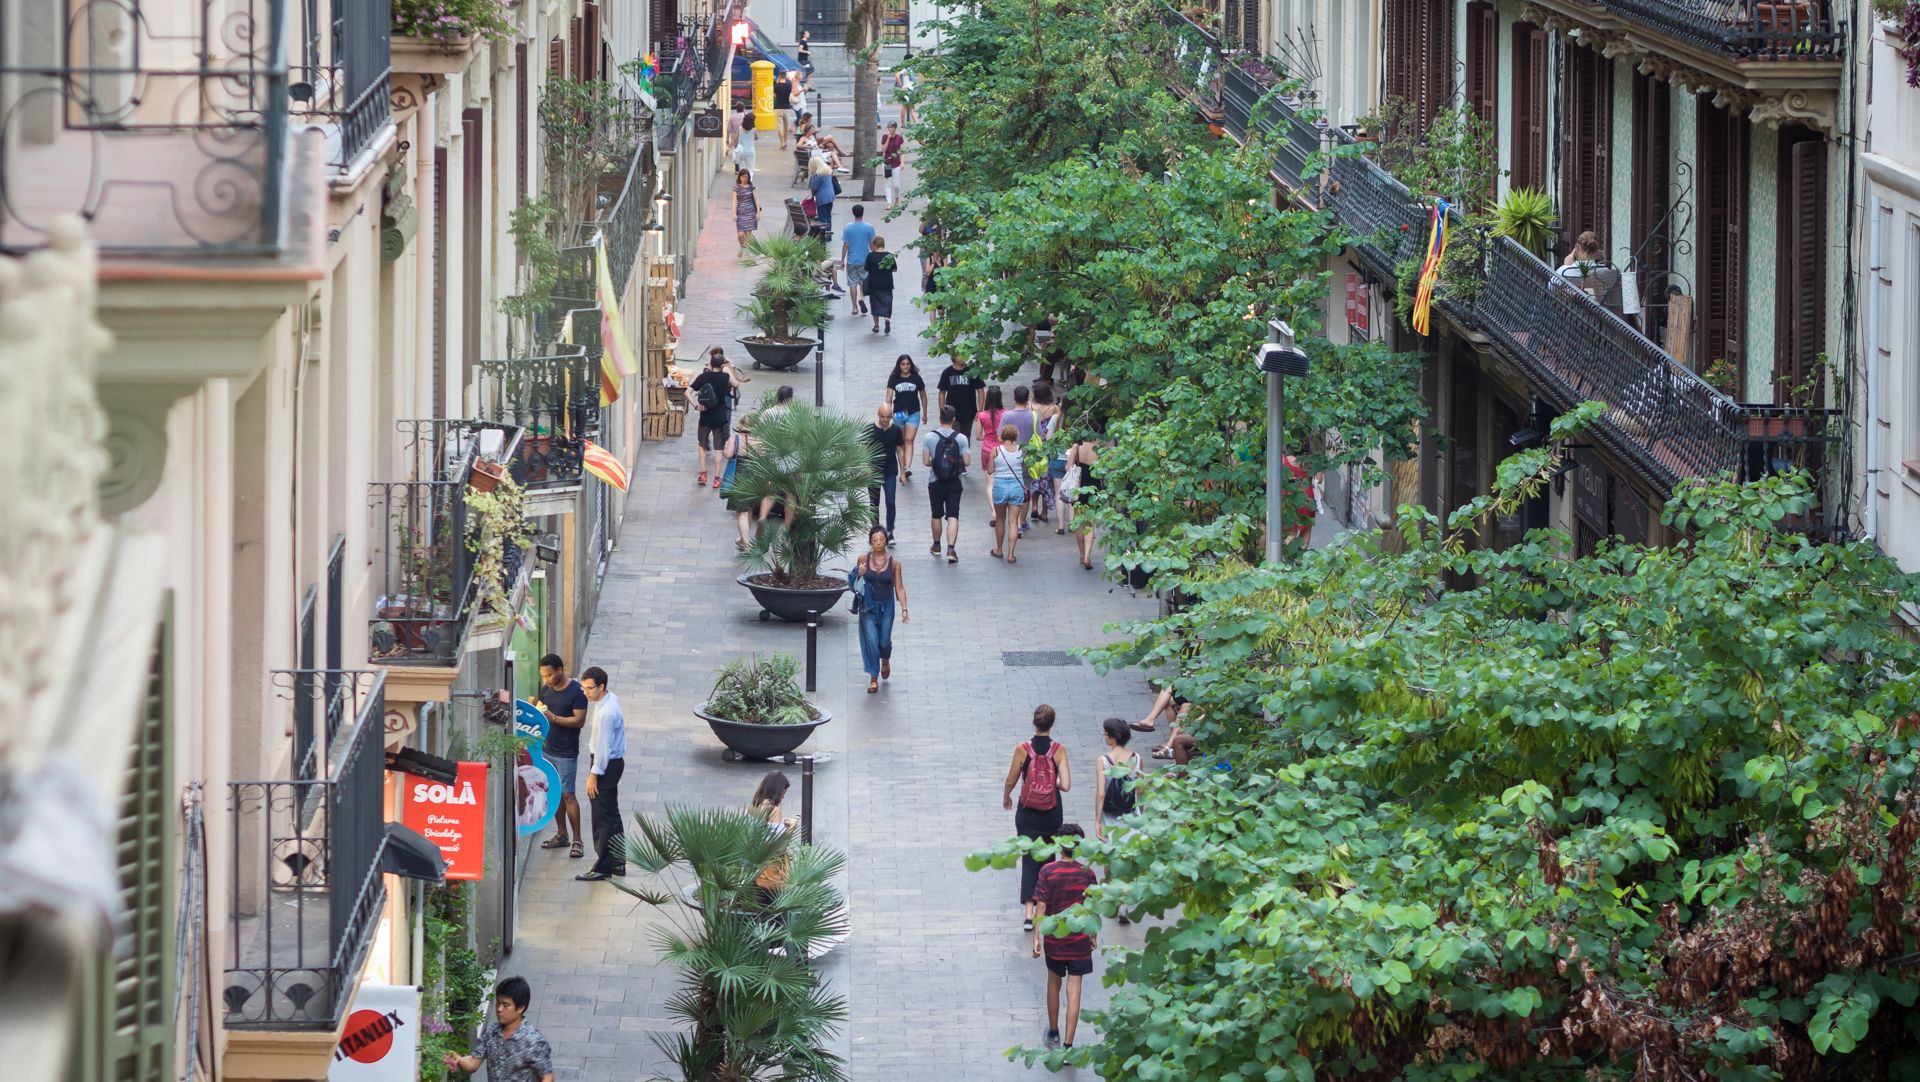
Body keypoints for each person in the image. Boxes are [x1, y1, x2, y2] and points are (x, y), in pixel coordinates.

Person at [1002, 704, 1070, 928]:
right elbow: (1066, 785)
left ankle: (1029, 914)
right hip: (1051, 811)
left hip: (1027, 810)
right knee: (1048, 859)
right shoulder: (1059, 749)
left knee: (1029, 858)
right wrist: (1053, 782)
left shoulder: (1023, 748)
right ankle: (1044, 909)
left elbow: (1011, 779)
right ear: (1052, 724)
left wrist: (1007, 796)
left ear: (1034, 722)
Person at [1031, 823, 1096, 1051]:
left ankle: (1054, 1032)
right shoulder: (1087, 873)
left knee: (1053, 983)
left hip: (1055, 939)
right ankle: (1069, 1044)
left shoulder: (1048, 871)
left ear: (1059, 844)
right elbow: (1091, 908)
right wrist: (1093, 934)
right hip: (1079, 939)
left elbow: (1041, 907)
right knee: (1074, 989)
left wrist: (1036, 937)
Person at [444, 976, 554, 1082]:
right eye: (498, 1003)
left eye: (506, 1005)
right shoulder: (492, 1031)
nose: (499, 1009)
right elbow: (473, 1063)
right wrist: (456, 1057)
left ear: (520, 1008)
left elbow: (547, 1077)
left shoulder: (534, 1041)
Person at [575, 667, 627, 881]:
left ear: (602, 687)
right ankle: (617, 862)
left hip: (605, 764)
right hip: (611, 763)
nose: (585, 692)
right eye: (583, 687)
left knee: (602, 817)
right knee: (611, 814)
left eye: (589, 688)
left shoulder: (606, 712)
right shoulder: (608, 699)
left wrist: (593, 775)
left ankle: (604, 866)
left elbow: (603, 748)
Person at [535, 655, 588, 858]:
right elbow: (541, 709)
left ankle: (577, 840)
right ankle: (562, 834)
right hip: (547, 749)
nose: (546, 679)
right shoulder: (546, 689)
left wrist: (554, 718)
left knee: (568, 794)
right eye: (543, 676)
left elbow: (579, 720)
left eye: (549, 675)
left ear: (560, 670)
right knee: (555, 793)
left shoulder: (576, 692)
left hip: (566, 752)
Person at [851, 526, 909, 693]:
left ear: (885, 541)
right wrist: (859, 573)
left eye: (881, 540)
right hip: (867, 607)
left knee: (884, 641)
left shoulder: (894, 563)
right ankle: (873, 676)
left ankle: (885, 659)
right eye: (875, 540)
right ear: (870, 541)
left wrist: (904, 609)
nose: (878, 543)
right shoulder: (862, 558)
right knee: (871, 641)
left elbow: (899, 588)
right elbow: (854, 583)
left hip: (887, 606)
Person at [919, 404, 969, 563]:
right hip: (955, 481)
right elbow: (967, 461)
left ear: (940, 418)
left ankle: (936, 545)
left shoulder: (929, 437)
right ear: (953, 420)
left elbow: (926, 462)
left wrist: (937, 462)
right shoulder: (961, 438)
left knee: (936, 514)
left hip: (936, 481)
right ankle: (951, 549)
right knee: (953, 515)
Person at [691, 348, 737, 487]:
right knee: (718, 449)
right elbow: (736, 383)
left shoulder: (703, 376)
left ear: (710, 363)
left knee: (702, 446)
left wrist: (696, 406)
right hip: (720, 417)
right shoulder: (725, 377)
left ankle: (703, 474)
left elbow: (687, 392)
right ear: (722, 365)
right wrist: (727, 365)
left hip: (705, 416)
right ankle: (717, 479)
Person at [1093, 717, 1142, 841]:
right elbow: (1140, 791)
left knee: (1112, 843)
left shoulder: (1103, 761)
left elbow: (1101, 794)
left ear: (1112, 737)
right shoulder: (1137, 758)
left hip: (1110, 811)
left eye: (1105, 734)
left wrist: (1097, 821)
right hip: (1130, 811)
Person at [864, 404, 904, 542]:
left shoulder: (896, 430)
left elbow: (899, 450)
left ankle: (890, 531)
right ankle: (875, 532)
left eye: (888, 417)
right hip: (873, 471)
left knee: (890, 501)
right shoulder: (869, 429)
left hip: (890, 471)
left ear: (891, 416)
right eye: (882, 417)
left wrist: (903, 472)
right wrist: (865, 468)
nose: (885, 420)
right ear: (878, 414)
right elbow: (863, 451)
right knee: (874, 503)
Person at [720, 413, 760, 550]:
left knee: (741, 511)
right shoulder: (760, 440)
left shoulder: (735, 438)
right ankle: (744, 539)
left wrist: (726, 448)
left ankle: (746, 542)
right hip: (755, 476)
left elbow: (728, 454)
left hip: (740, 475)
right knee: (749, 508)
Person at [990, 423, 1027, 563]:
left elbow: (989, 470)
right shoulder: (1021, 451)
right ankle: (1011, 554)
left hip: (1000, 486)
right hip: (1017, 486)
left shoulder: (996, 451)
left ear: (1003, 436)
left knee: (1000, 520)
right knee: (1013, 522)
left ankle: (999, 549)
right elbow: (1025, 467)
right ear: (1015, 437)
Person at [885, 354, 926, 481]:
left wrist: (925, 413)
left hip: (913, 412)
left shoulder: (916, 378)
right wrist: (888, 412)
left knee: (909, 440)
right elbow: (889, 398)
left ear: (911, 365)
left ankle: (907, 467)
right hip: (898, 413)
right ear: (899, 365)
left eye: (908, 364)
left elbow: (923, 396)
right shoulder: (894, 378)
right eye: (903, 364)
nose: (905, 366)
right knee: (901, 442)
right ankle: (902, 468)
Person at [937, 358, 983, 463]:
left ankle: (962, 460)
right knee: (954, 436)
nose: (963, 357)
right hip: (952, 413)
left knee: (966, 437)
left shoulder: (972, 371)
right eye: (960, 355)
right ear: (954, 358)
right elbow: (942, 392)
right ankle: (955, 461)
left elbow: (980, 390)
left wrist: (980, 409)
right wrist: (942, 409)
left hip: (969, 410)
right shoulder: (947, 372)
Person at [1067, 434, 1101, 570]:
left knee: (1079, 522)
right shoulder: (1099, 449)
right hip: (1093, 490)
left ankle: (1081, 555)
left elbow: (1068, 467)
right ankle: (1087, 555)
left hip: (1078, 489)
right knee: (1090, 524)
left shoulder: (1076, 447)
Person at [841, 204, 876, 316]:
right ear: (863, 213)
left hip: (852, 260)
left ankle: (854, 307)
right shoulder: (869, 227)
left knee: (852, 283)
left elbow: (846, 245)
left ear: (853, 213)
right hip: (864, 259)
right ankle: (862, 299)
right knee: (863, 281)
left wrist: (842, 260)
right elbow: (872, 245)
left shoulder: (848, 227)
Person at [863, 235, 897, 334]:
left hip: (874, 284)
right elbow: (894, 269)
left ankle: (876, 325)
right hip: (887, 283)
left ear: (874, 245)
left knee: (875, 304)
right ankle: (886, 319)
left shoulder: (870, 256)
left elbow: (866, 269)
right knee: (887, 302)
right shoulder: (889, 256)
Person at [971, 384, 1006, 477]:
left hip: (987, 449)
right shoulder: (1006, 414)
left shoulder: (981, 415)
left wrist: (988, 437)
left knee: (989, 481)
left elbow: (978, 437)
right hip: (1002, 449)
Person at [731, 167, 760, 250]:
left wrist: (758, 213)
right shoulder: (736, 187)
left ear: (748, 178)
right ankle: (742, 246)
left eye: (746, 177)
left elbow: (757, 200)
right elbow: (734, 201)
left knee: (748, 235)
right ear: (739, 177)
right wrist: (733, 213)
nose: (744, 179)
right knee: (740, 234)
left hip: (751, 212)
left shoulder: (751, 186)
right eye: (743, 177)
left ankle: (747, 253)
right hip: (740, 213)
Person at [807, 156, 836, 238]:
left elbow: (814, 187)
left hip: (822, 198)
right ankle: (828, 234)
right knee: (828, 215)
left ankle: (824, 236)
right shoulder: (827, 171)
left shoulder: (818, 174)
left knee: (822, 217)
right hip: (830, 196)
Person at [881, 121, 906, 208]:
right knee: (887, 183)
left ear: (895, 128)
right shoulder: (884, 137)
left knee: (896, 185)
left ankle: (897, 197)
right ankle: (889, 202)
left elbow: (901, 151)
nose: (890, 129)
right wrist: (888, 138)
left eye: (891, 127)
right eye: (888, 127)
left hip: (896, 163)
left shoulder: (899, 138)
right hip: (886, 163)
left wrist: (902, 162)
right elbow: (883, 150)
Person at [772, 72, 793, 148]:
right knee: (786, 126)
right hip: (787, 107)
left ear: (779, 76)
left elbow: (774, 95)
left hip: (778, 107)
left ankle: (782, 143)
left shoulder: (776, 86)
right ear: (785, 76)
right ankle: (785, 141)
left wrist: (777, 82)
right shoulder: (789, 85)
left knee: (779, 126)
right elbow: (791, 93)